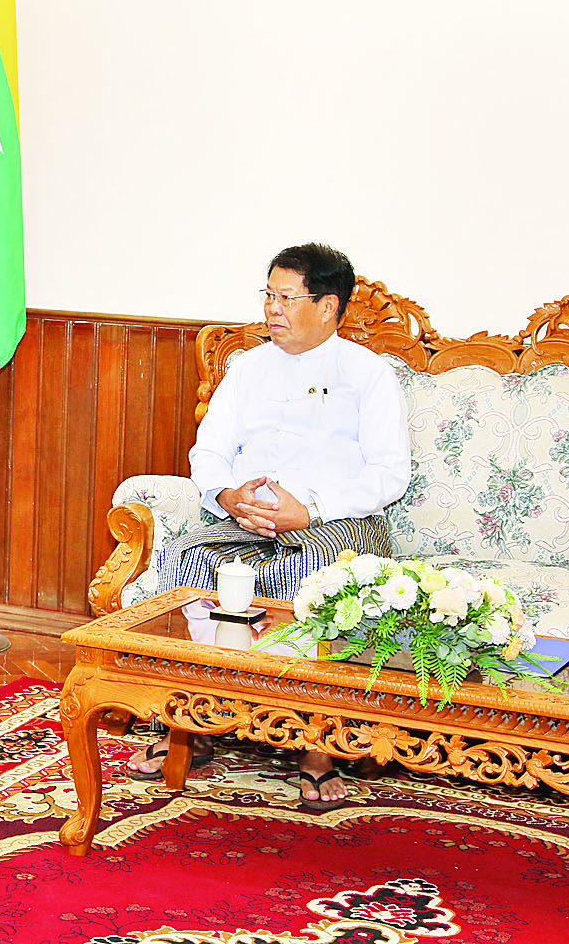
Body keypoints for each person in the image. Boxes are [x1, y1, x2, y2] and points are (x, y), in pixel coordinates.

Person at [126, 243, 411, 809]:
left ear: (328, 306)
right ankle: (194, 721)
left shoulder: (368, 374)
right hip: (245, 517)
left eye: (287, 297)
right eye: (269, 295)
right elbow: (208, 451)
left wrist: (311, 509)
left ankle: (315, 744)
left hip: (334, 520)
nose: (272, 309)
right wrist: (227, 496)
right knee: (190, 559)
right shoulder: (247, 367)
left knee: (319, 571)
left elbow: (389, 474)